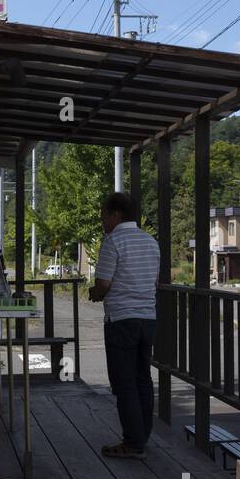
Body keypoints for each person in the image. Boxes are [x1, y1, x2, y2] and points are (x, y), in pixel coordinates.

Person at [89, 192, 160, 459]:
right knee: (143, 378)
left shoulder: (113, 241)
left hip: (122, 320)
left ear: (116, 215)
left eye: (104, 215)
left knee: (124, 383)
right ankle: (143, 434)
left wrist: (94, 293)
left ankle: (132, 442)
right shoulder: (151, 242)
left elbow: (103, 285)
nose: (102, 221)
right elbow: (153, 281)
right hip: (148, 319)